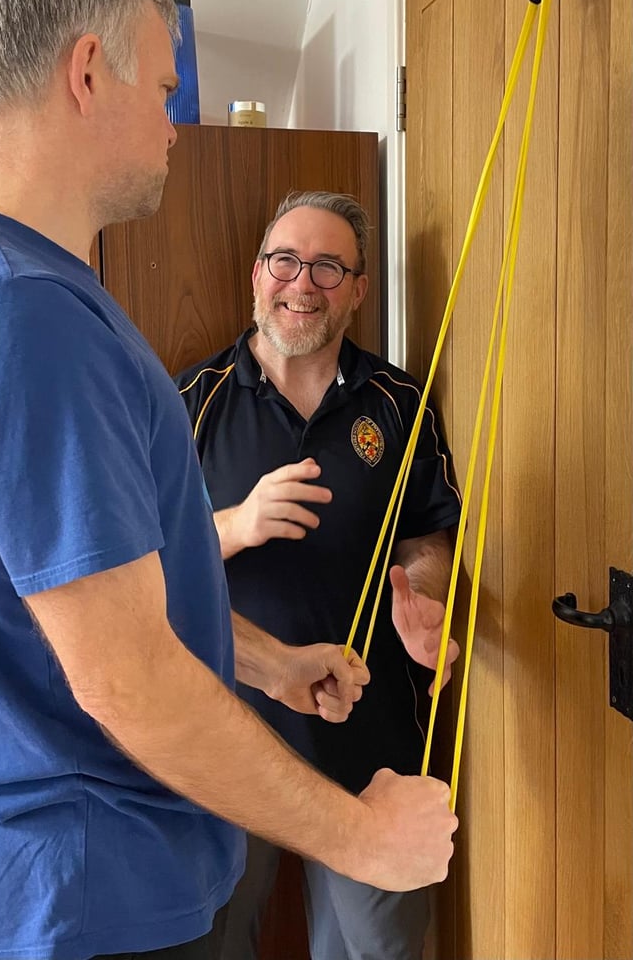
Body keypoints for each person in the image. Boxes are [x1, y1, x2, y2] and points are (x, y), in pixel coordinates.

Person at [0, 0, 457, 960]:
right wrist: (363, 837)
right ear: (88, 71)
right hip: (86, 895)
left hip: (85, 887)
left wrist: (269, 665)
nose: (175, 124)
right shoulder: (22, 319)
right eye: (165, 86)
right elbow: (126, 676)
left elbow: (104, 610)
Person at [176, 191, 463, 960]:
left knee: (378, 949)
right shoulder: (188, 402)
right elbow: (140, 566)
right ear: (256, 275)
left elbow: (427, 534)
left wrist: (425, 594)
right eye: (286, 261)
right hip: (228, 738)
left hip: (370, 735)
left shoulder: (400, 402)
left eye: (329, 267)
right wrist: (237, 524)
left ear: (359, 289)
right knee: (214, 943)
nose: (303, 283)